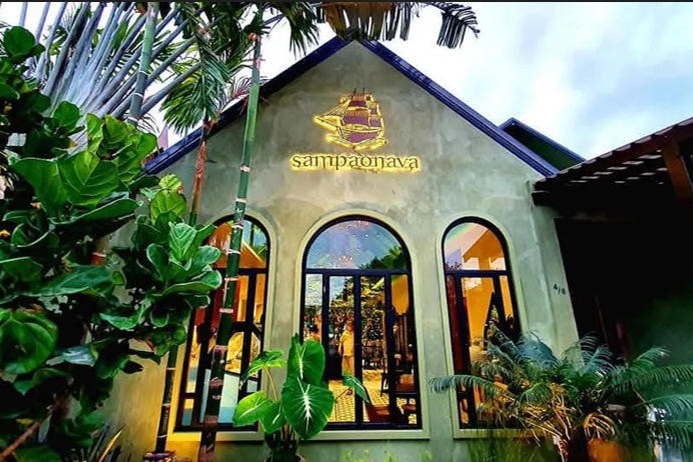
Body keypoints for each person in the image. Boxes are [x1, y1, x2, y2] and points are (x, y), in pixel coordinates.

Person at [338, 320, 355, 394]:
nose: (348, 327)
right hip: (345, 354)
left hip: (352, 355)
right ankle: (349, 386)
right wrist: (339, 348)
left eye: (349, 325)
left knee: (352, 371)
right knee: (346, 371)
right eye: (347, 325)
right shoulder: (345, 333)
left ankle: (351, 387)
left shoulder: (354, 334)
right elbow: (341, 341)